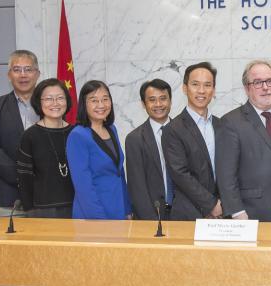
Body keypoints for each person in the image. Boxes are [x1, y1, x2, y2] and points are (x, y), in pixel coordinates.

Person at [216, 60, 271, 221]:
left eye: (270, 81)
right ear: (246, 88)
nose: (265, 87)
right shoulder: (230, 122)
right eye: (258, 83)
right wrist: (237, 212)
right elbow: (226, 175)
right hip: (250, 214)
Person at [0, 50, 40, 217]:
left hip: (44, 199)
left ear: (37, 74)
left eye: (28, 69)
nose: (23, 75)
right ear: (9, 75)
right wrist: (23, 179)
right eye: (17, 70)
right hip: (6, 198)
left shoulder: (50, 106)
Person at [162, 63, 224, 220]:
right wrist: (212, 204)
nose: (201, 91)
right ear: (184, 88)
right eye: (195, 84)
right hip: (189, 215)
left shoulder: (221, 125)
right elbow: (180, 174)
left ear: (213, 90)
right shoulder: (173, 129)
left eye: (207, 85)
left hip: (222, 213)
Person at [66, 80, 131, 219]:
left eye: (105, 99)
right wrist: (99, 220)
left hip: (118, 208)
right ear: (84, 104)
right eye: (94, 100)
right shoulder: (78, 135)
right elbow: (83, 186)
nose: (101, 105)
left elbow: (119, 173)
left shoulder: (111, 129)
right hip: (93, 213)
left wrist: (127, 209)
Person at [15, 78, 75, 218]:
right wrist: (30, 210)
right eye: (48, 99)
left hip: (77, 206)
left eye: (60, 98)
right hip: (41, 210)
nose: (55, 103)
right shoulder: (30, 136)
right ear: (38, 102)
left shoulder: (76, 133)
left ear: (67, 101)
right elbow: (24, 178)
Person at [125, 79, 175, 220]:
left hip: (185, 214)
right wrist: (151, 221)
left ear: (170, 101)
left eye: (163, 99)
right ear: (143, 104)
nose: (158, 104)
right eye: (152, 100)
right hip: (152, 214)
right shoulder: (134, 139)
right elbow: (137, 187)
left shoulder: (184, 132)